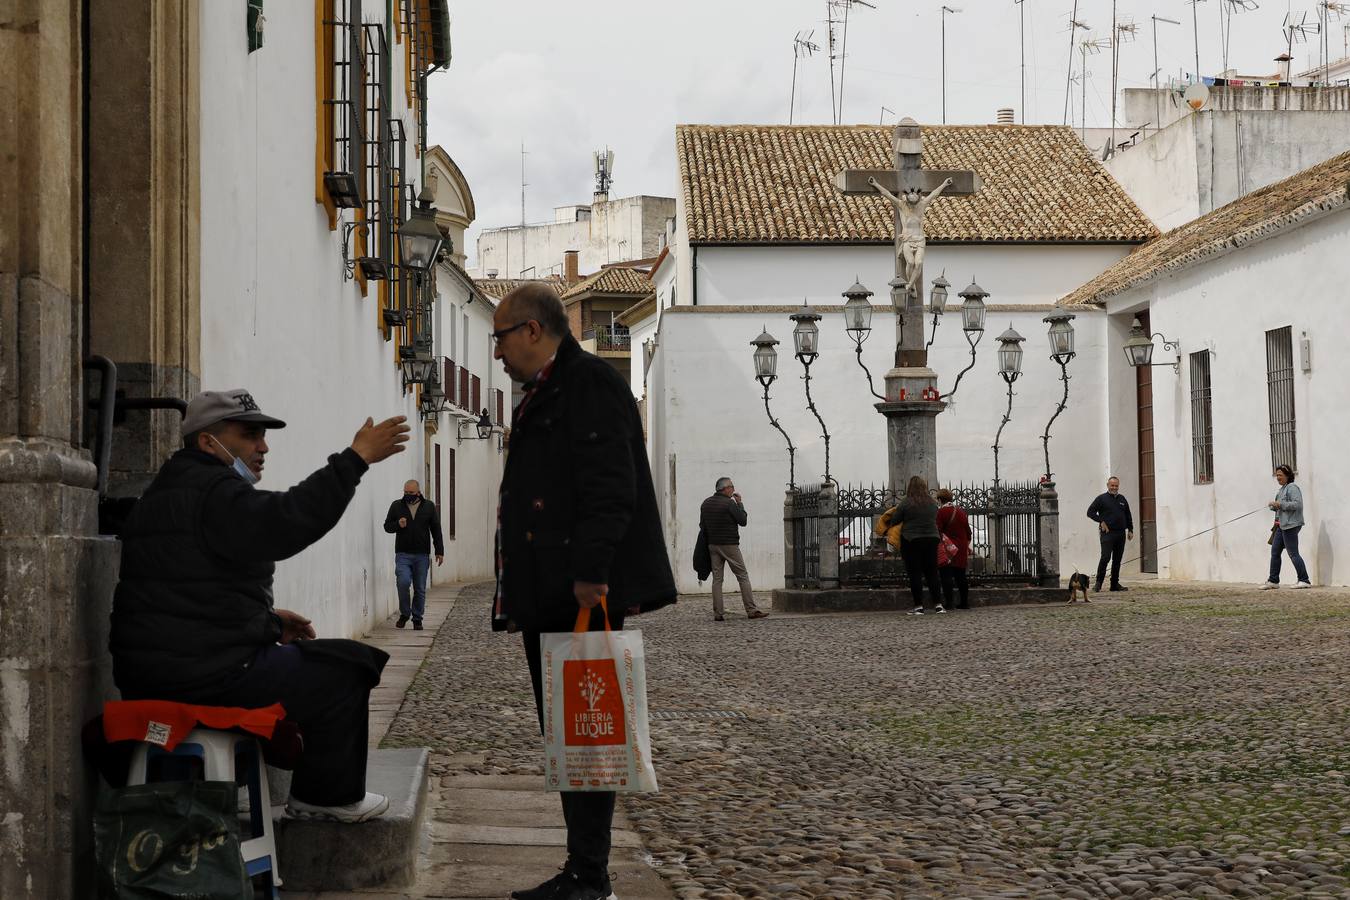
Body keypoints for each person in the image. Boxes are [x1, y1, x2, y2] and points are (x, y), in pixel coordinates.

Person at [109, 388, 410, 823]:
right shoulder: (214, 492)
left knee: (306, 662)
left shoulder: (169, 490)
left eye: (263, 436)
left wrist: (268, 623)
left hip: (156, 673)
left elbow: (188, 601)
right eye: (250, 435)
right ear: (207, 441)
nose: (263, 446)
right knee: (344, 669)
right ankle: (327, 797)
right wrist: (354, 460)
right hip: (203, 678)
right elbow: (286, 520)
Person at [490, 283, 677, 900]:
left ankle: (590, 876)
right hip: (551, 585)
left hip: (576, 590)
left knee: (587, 734)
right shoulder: (550, 389)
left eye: (500, 337)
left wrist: (592, 575)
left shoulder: (587, 383)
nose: (496, 352)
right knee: (571, 733)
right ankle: (583, 870)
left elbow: (608, 484)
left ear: (533, 331)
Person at [699, 477, 769, 622]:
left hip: (713, 545)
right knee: (742, 576)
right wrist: (740, 503)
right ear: (725, 489)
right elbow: (743, 521)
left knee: (717, 580)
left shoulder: (705, 503)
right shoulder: (729, 503)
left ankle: (718, 613)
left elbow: (702, 525)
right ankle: (751, 610)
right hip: (729, 545)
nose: (733, 489)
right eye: (731, 486)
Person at [383, 479, 444, 630]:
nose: (407, 495)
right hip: (403, 554)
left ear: (418, 492)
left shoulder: (428, 506)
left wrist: (439, 551)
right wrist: (398, 524)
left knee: (420, 588)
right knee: (402, 582)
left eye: (410, 493)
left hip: (422, 555)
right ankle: (405, 613)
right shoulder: (397, 505)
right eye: (405, 492)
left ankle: (417, 618)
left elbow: (436, 529)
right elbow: (387, 526)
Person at [895, 475, 944, 615]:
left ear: (909, 487)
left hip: (912, 540)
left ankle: (918, 606)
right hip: (931, 539)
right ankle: (938, 605)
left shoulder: (906, 503)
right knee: (932, 572)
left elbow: (895, 520)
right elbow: (936, 518)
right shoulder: (933, 503)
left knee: (915, 573)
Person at [1261, 464, 1312, 590]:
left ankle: (1304, 580)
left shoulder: (1292, 487)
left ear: (1288, 475)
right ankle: (1273, 581)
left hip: (1291, 525)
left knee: (1293, 553)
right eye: (1277, 475)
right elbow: (1281, 507)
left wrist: (1280, 504)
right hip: (1280, 526)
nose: (1278, 477)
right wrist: (1274, 506)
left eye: (1280, 475)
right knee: (1275, 552)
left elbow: (1297, 505)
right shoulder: (1282, 489)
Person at [1086, 475, 1133, 592]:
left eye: (1116, 486)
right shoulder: (1101, 499)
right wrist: (1101, 521)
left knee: (1117, 560)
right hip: (1107, 533)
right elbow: (1090, 512)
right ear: (1108, 485)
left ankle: (1114, 584)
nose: (1114, 487)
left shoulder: (1122, 499)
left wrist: (1130, 529)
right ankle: (1098, 583)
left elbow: (1128, 515)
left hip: (1120, 533)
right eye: (1112, 485)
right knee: (1105, 557)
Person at [935, 488, 972, 610]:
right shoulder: (960, 511)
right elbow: (968, 531)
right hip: (961, 547)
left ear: (940, 500)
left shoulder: (941, 513)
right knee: (961, 575)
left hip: (948, 547)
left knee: (946, 575)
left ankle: (949, 603)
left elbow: (938, 531)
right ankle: (964, 602)